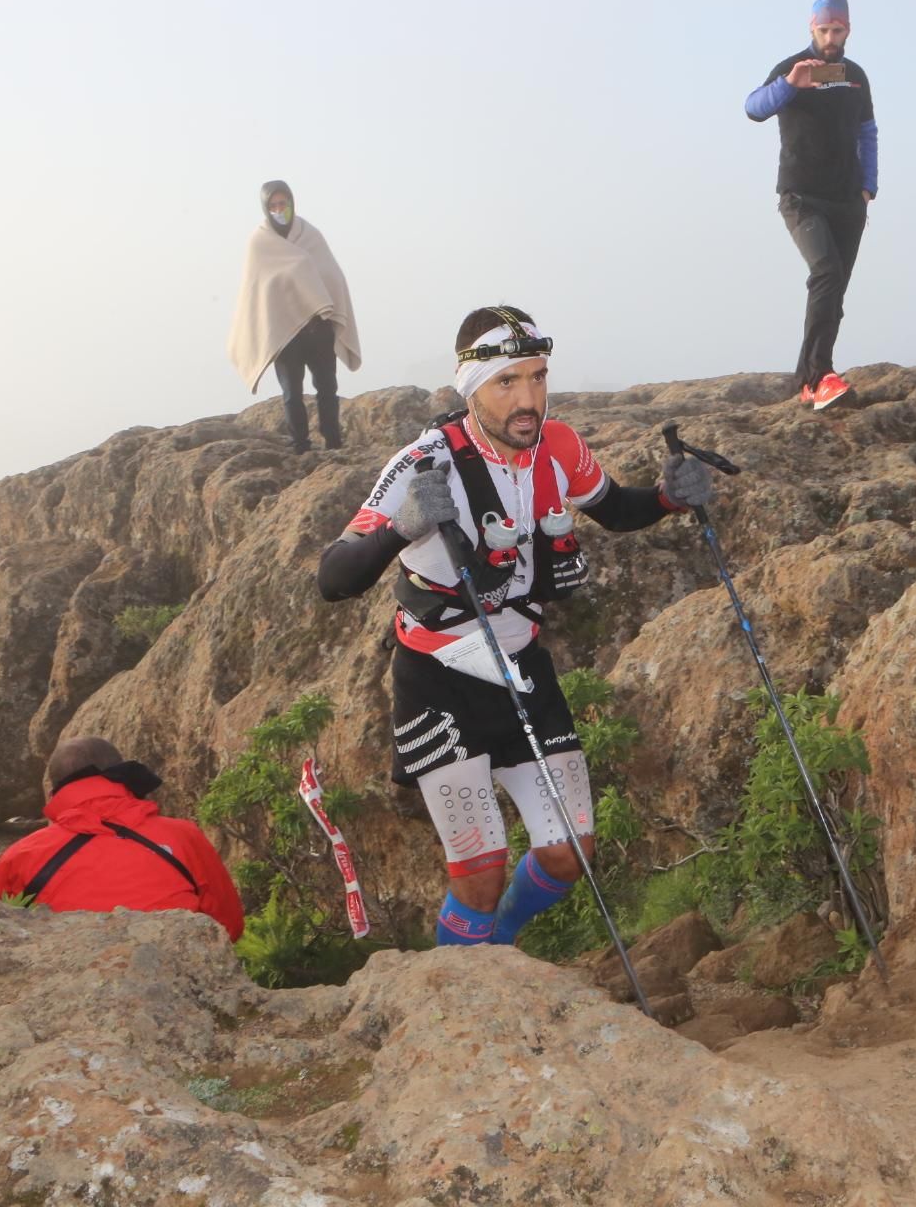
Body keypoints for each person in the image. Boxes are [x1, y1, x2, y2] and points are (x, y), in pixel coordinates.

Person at [316, 305, 718, 945]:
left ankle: (497, 946)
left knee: (570, 852)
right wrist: (401, 527)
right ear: (472, 387)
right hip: (438, 676)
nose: (527, 399)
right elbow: (334, 577)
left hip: (523, 666)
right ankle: (465, 982)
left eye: (537, 376)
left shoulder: (559, 445)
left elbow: (615, 508)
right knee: (480, 872)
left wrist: (670, 497)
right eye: (507, 381)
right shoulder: (425, 461)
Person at [744, 0, 877, 411]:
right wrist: (789, 85)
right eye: (823, 30)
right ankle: (819, 378)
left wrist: (868, 187)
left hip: (848, 199)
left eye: (837, 30)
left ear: (848, 29)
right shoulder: (793, 69)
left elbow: (867, 132)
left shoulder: (855, 76)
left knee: (834, 290)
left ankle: (810, 380)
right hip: (802, 196)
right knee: (826, 272)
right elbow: (753, 108)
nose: (830, 38)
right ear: (811, 28)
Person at [0, 737, 244, 940]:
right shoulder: (183, 835)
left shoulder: (22, 855)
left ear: (54, 792)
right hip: (179, 975)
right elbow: (228, 925)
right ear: (123, 774)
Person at [227, 180, 363, 453]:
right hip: (285, 333)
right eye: (274, 205)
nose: (280, 209)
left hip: (318, 326)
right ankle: (300, 444)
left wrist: (323, 306)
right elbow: (257, 290)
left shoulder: (310, 235)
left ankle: (333, 441)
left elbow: (331, 275)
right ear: (266, 208)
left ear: (292, 203)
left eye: (284, 204)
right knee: (292, 392)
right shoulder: (260, 242)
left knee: (327, 387)